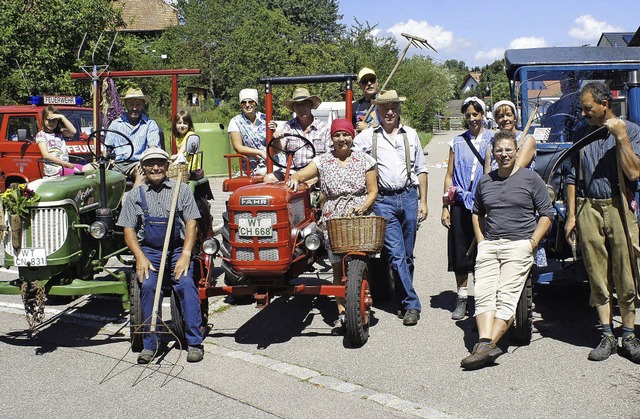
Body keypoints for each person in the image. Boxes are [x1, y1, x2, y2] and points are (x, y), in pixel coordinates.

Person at [460, 130, 553, 370]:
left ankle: (483, 347)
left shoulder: (530, 178)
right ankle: (486, 345)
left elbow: (547, 214)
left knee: (507, 297)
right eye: (499, 150)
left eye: (508, 150)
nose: (503, 155)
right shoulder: (486, 181)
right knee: (483, 294)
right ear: (493, 153)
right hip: (490, 245)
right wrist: (481, 241)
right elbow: (477, 212)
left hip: (519, 245)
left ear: (516, 152)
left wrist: (532, 243)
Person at [565, 81, 640, 363]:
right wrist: (572, 215)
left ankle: (629, 335)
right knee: (597, 275)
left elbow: (634, 173)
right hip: (588, 208)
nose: (584, 114)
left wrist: (621, 137)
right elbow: (572, 177)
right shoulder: (580, 135)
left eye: (588, 109)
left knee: (626, 273)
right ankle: (608, 335)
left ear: (604, 105)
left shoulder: (631, 131)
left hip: (621, 208)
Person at [286, 118, 378, 335]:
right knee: (337, 266)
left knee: (360, 261)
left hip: (358, 215)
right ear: (332, 138)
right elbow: (302, 174)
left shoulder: (365, 160)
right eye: (337, 135)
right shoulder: (323, 161)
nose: (341, 139)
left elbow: (373, 191)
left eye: (345, 134)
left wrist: (363, 207)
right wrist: (295, 178)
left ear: (351, 136)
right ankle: (342, 312)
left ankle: (362, 301)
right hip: (333, 218)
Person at [117, 147, 204, 364]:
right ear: (143, 168)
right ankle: (150, 344)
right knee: (147, 287)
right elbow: (128, 229)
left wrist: (186, 254)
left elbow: (192, 222)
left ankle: (194, 342)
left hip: (176, 250)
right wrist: (139, 256)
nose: (155, 167)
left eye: (160, 163)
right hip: (150, 252)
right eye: (150, 164)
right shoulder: (134, 195)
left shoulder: (180, 190)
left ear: (167, 166)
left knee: (185, 284)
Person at [353, 90, 428, 326]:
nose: (389, 112)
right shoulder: (367, 137)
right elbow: (345, 149)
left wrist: (423, 201)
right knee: (396, 255)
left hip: (408, 197)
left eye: (393, 107)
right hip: (383, 200)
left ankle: (402, 300)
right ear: (377, 111)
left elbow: (421, 169)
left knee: (407, 255)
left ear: (399, 109)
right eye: (384, 108)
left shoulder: (411, 135)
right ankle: (412, 305)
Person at [442, 97, 493, 321]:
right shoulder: (458, 142)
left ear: (483, 115)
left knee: (484, 252)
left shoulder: (493, 139)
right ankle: (462, 297)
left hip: (484, 205)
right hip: (461, 203)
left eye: (476, 114)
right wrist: (446, 206)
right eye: (468, 115)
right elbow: (449, 175)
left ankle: (481, 300)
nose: (472, 118)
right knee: (460, 252)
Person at [264, 87, 330, 183]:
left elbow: (329, 157)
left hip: (313, 173)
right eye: (298, 105)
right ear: (294, 108)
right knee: (268, 179)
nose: (301, 108)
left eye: (304, 104)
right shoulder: (288, 127)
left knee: (308, 182)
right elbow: (276, 150)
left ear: (310, 105)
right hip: (290, 171)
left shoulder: (323, 129)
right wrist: (277, 138)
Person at [104, 87, 162, 187]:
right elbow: (107, 148)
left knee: (142, 174)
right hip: (116, 163)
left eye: (138, 104)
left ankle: (132, 201)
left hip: (136, 164)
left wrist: (144, 161)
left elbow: (153, 148)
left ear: (143, 105)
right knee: (88, 170)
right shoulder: (116, 124)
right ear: (126, 105)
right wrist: (108, 159)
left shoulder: (149, 124)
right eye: (131, 104)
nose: (134, 108)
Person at [228, 88, 270, 175]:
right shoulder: (235, 121)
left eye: (250, 102)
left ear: (255, 103)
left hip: (270, 161)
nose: (247, 105)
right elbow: (238, 147)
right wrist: (260, 153)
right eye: (244, 102)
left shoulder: (266, 118)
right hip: (250, 166)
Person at [35, 105, 82, 177]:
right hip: (54, 169)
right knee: (78, 175)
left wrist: (62, 117)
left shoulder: (59, 132)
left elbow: (73, 131)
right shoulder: (41, 135)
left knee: (88, 169)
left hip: (65, 166)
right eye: (49, 120)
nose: (51, 123)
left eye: (54, 120)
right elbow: (45, 155)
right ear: (43, 120)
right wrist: (64, 164)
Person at [490, 100, 536, 170]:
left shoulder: (527, 140)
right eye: (501, 116)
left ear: (515, 118)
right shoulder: (491, 142)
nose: (505, 119)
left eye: (509, 115)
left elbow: (516, 169)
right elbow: (487, 172)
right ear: (496, 120)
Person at [352, 67, 380, 134]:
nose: (369, 83)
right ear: (360, 85)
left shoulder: (386, 102)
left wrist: (368, 128)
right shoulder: (355, 106)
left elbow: (391, 128)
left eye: (372, 80)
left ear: (377, 82)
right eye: (365, 81)